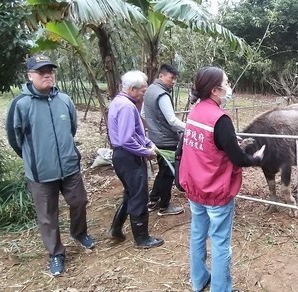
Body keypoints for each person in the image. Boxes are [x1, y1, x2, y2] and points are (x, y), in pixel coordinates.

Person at [6, 54, 94, 277]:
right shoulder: (21, 104)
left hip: (69, 165)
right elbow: (15, 139)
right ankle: (56, 253)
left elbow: (71, 129)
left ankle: (79, 232)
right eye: (41, 71)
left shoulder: (64, 100)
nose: (47, 75)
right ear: (30, 76)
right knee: (47, 215)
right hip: (41, 171)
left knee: (79, 201)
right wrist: (34, 158)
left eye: (50, 71)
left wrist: (65, 152)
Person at [179, 66, 264, 292]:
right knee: (220, 242)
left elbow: (206, 144)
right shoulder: (220, 119)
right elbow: (237, 158)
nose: (229, 86)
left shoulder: (195, 111)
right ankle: (221, 288)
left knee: (197, 234)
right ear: (215, 90)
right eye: (226, 83)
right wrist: (255, 159)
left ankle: (198, 281)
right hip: (215, 191)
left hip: (195, 188)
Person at [107, 70, 164, 248]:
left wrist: (148, 143)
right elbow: (126, 139)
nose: (144, 94)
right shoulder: (127, 106)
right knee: (139, 195)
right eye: (143, 91)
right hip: (128, 156)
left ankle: (115, 229)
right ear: (132, 89)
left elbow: (134, 133)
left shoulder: (119, 101)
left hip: (122, 155)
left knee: (131, 193)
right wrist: (145, 152)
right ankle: (142, 238)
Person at [141, 64, 185, 216]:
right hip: (167, 140)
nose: (173, 82)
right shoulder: (162, 94)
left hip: (155, 138)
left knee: (162, 170)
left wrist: (153, 128)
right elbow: (172, 121)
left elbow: (143, 114)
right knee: (168, 173)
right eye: (171, 78)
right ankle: (165, 206)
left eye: (175, 79)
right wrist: (191, 128)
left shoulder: (149, 91)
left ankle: (153, 200)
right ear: (161, 76)